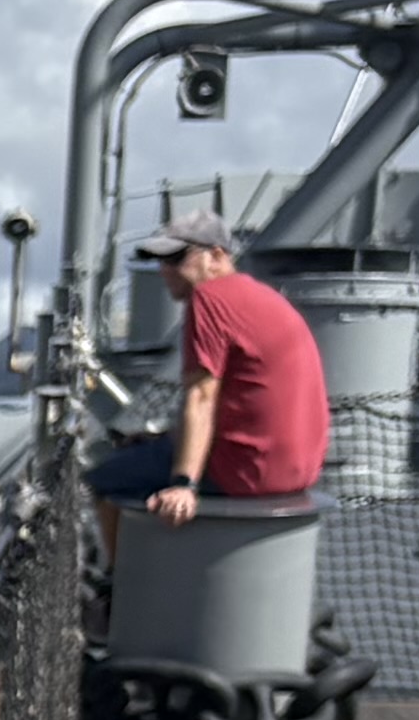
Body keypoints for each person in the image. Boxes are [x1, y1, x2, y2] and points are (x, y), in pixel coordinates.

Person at [93, 208, 329, 545]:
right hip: (298, 473)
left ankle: (117, 576)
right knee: (149, 453)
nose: (165, 270)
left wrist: (184, 484)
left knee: (104, 478)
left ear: (216, 256)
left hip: (247, 473)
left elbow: (201, 398)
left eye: (176, 258)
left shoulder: (209, 297)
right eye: (161, 261)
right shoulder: (268, 298)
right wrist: (169, 439)